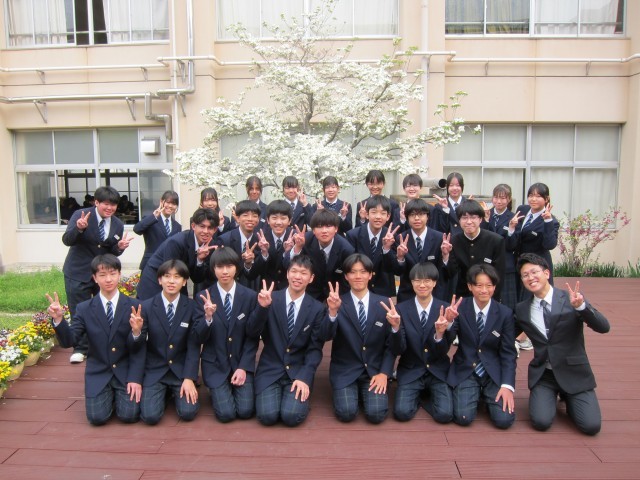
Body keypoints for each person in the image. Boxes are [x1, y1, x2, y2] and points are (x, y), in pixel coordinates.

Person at [515, 253, 609, 435]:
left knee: (591, 426)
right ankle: (552, 396)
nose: (530, 278)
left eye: (534, 272)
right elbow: (506, 333)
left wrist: (582, 307)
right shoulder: (522, 309)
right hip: (545, 375)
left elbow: (603, 327)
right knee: (541, 422)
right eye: (525, 275)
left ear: (546, 273)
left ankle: (570, 397)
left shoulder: (571, 299)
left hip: (574, 373)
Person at [46, 254, 144, 425]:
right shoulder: (84, 308)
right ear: (94, 278)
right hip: (98, 371)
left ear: (119, 275)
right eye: (102, 275)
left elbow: (140, 349)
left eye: (112, 273)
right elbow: (69, 341)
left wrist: (136, 332)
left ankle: (118, 396)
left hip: (125, 370)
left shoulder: (134, 306)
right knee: (97, 418)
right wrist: (59, 320)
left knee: (129, 416)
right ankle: (108, 396)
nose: (108, 279)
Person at [247, 255, 327, 427]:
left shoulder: (317, 308)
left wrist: (305, 377)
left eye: (303, 273)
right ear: (287, 274)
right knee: (267, 416)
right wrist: (262, 308)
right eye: (294, 271)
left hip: (298, 371)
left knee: (291, 416)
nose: (298, 277)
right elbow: (252, 331)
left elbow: (315, 348)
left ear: (311, 278)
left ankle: (298, 399)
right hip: (270, 369)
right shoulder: (270, 299)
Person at [62, 185, 134, 364]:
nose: (109, 208)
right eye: (105, 204)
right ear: (96, 202)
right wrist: (79, 228)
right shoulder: (81, 215)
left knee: (103, 308)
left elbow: (111, 251)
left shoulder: (117, 224)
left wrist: (120, 248)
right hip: (78, 271)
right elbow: (67, 240)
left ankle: (102, 344)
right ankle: (80, 348)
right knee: (78, 310)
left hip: (102, 274)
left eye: (113, 205)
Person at [322, 254, 394, 424]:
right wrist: (332, 312)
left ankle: (366, 394)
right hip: (345, 370)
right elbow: (325, 336)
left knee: (376, 415)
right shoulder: (337, 302)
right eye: (353, 272)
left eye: (363, 271)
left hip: (374, 371)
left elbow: (392, 345)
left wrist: (384, 373)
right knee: (346, 413)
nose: (358, 276)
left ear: (370, 275)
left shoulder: (384, 303)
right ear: (346, 276)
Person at [192, 248, 261, 423]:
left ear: (236, 268)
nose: (224, 271)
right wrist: (208, 317)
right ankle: (216, 388)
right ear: (213, 269)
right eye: (219, 267)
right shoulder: (203, 297)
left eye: (229, 266)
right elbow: (198, 337)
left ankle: (230, 385)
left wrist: (243, 367)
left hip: (240, 362)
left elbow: (252, 337)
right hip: (215, 364)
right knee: (226, 414)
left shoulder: (250, 296)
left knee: (246, 411)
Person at [447, 264, 517, 429]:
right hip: (466, 369)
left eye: (489, 285)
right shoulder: (459, 308)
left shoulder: (504, 313)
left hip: (493, 372)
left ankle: (486, 395)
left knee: (504, 421)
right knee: (463, 417)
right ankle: (475, 394)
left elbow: (508, 352)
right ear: (470, 286)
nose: (484, 290)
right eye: (479, 285)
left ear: (494, 287)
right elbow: (447, 341)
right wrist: (449, 322)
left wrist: (507, 385)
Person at [388, 262, 455, 423]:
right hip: (411, 369)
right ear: (411, 283)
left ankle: (422, 397)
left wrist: (440, 333)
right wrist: (395, 328)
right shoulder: (400, 309)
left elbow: (444, 350)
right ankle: (418, 397)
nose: (422, 285)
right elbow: (398, 349)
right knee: (402, 413)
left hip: (437, 370)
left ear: (434, 283)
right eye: (417, 280)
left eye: (427, 280)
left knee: (445, 415)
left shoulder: (446, 309)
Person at [137, 259, 200, 425]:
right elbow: (138, 345)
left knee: (188, 413)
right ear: (159, 280)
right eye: (167, 276)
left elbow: (193, 345)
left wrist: (189, 377)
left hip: (180, 371)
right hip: (155, 370)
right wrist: (136, 332)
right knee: (150, 417)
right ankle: (163, 394)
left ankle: (173, 391)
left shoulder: (192, 306)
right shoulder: (146, 307)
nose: (171, 281)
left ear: (184, 281)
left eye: (177, 277)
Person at [136, 208, 218, 300]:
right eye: (202, 226)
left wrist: (199, 260)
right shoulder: (177, 242)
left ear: (215, 229)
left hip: (177, 282)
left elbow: (197, 279)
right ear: (193, 226)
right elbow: (170, 272)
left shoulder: (210, 246)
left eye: (210, 228)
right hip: (154, 283)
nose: (206, 231)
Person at [285, 209, 355, 301]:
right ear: (313, 230)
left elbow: (348, 279)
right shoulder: (304, 240)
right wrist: (298, 247)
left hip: (335, 294)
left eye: (328, 226)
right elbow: (287, 265)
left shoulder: (346, 249)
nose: (324, 231)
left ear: (336, 229)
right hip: (309, 292)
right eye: (319, 226)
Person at [390, 198, 449, 302]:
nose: (417, 218)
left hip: (434, 294)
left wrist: (445, 256)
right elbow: (397, 271)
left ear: (428, 217)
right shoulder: (400, 239)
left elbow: (446, 272)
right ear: (407, 217)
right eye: (412, 215)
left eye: (421, 214)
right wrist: (400, 257)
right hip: (407, 294)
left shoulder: (439, 238)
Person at [507, 182, 560, 300]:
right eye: (531, 195)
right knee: (518, 299)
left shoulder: (552, 220)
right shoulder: (522, 210)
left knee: (536, 298)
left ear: (546, 199)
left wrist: (548, 221)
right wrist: (511, 228)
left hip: (537, 265)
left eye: (538, 196)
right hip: (519, 262)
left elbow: (550, 244)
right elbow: (517, 236)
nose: (533, 199)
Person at [447, 200, 506, 300]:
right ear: (459, 220)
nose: (469, 222)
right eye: (464, 218)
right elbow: (450, 272)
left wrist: (493, 299)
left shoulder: (496, 240)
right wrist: (445, 255)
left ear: (480, 219)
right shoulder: (453, 241)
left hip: (487, 295)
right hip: (463, 296)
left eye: (473, 217)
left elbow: (499, 274)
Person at [346, 195, 396, 298]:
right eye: (374, 212)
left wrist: (386, 249)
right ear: (367, 214)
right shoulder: (353, 235)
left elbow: (394, 268)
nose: (378, 217)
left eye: (382, 213)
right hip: (359, 290)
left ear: (388, 216)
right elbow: (349, 264)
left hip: (384, 292)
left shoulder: (392, 236)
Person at [214, 199, 266, 291]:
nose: (250, 219)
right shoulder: (225, 240)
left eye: (254, 216)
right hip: (230, 288)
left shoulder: (261, 241)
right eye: (245, 215)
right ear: (237, 218)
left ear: (258, 220)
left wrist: (264, 253)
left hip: (253, 289)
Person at [133, 191, 182, 271]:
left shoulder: (177, 226)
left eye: (173, 204)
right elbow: (137, 229)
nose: (170, 206)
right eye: (168, 202)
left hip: (168, 267)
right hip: (150, 264)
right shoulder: (151, 219)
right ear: (161, 202)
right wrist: (154, 216)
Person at [260, 200, 294, 291]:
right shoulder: (261, 237)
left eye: (283, 218)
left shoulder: (296, 238)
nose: (278, 222)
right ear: (268, 220)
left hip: (290, 289)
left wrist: (288, 252)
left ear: (290, 220)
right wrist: (264, 253)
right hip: (266, 289)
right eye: (274, 218)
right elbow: (254, 272)